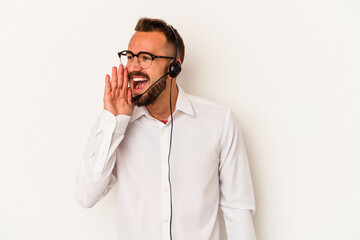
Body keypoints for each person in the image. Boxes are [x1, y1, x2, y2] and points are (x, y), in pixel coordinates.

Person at [75, 17, 256, 240]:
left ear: (174, 67)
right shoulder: (116, 125)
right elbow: (86, 195)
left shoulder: (220, 121)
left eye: (145, 58)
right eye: (130, 57)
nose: (132, 67)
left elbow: (238, 211)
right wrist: (114, 119)